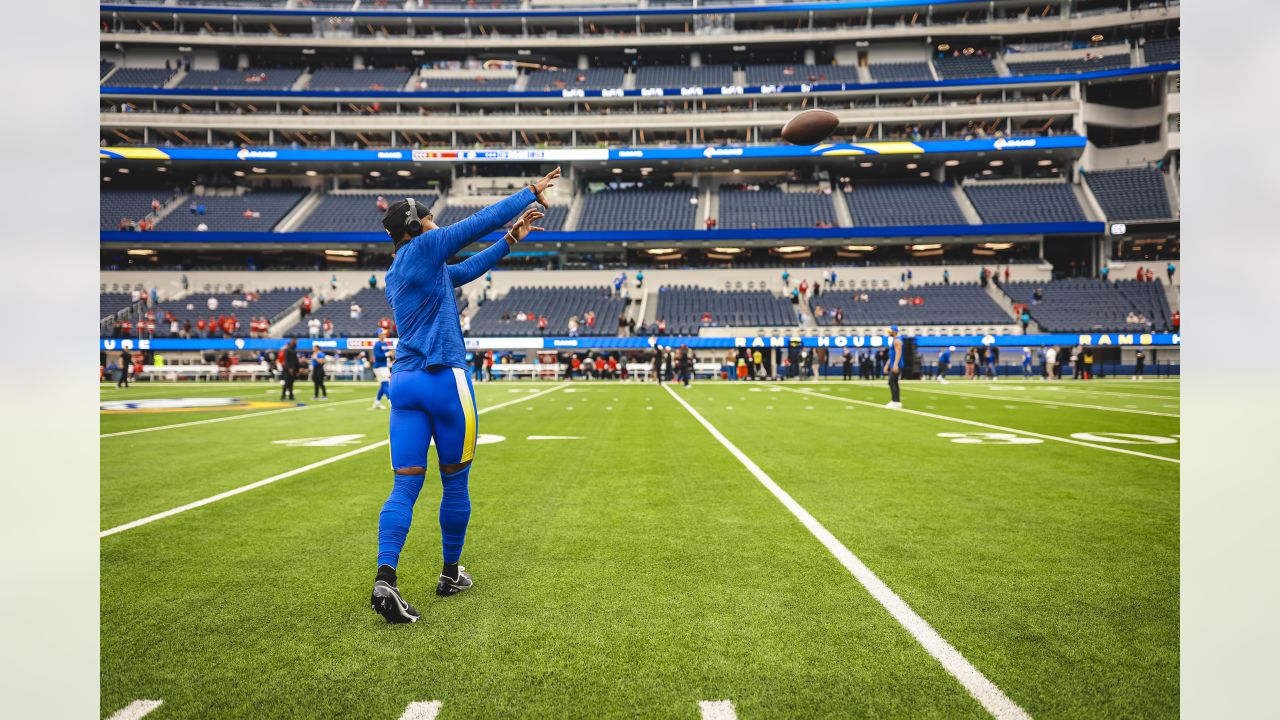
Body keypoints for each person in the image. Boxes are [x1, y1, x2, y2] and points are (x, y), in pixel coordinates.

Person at [371, 167, 559, 623]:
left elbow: (468, 268)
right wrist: (527, 194)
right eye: (432, 219)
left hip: (406, 383)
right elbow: (473, 225)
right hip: (444, 379)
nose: (438, 224)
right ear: (417, 226)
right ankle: (450, 572)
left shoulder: (401, 269)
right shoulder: (425, 246)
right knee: (455, 482)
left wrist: (511, 239)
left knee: (405, 485)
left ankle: (385, 578)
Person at [371, 330, 393, 409]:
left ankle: (377, 403)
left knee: (383, 385)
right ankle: (391, 402)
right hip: (379, 367)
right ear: (379, 335)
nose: (384, 335)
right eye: (382, 334)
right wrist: (388, 354)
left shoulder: (385, 343)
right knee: (385, 384)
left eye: (384, 333)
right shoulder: (377, 344)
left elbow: (385, 356)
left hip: (384, 366)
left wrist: (389, 360)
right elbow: (377, 356)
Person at [884, 325, 903, 408]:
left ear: (894, 332)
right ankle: (897, 402)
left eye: (890, 331)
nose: (888, 333)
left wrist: (895, 365)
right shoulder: (894, 340)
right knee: (895, 382)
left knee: (891, 382)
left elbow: (899, 353)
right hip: (893, 364)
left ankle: (894, 401)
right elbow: (892, 355)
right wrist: (887, 365)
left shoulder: (897, 341)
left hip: (896, 365)